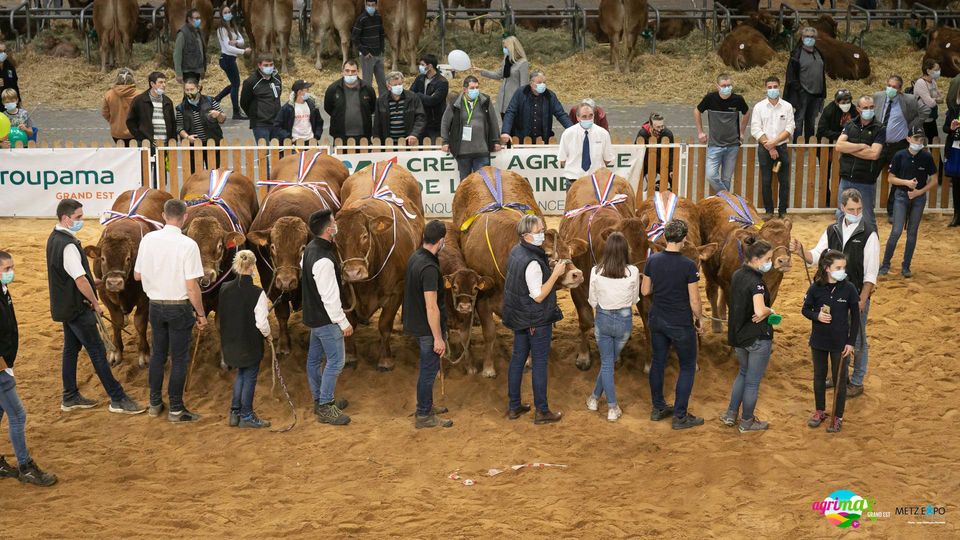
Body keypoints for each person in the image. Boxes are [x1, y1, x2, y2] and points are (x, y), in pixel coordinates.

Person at [45, 200, 145, 415]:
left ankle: (70, 396)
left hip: (64, 305)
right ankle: (118, 399)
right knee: (98, 352)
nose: (81, 221)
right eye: (78, 217)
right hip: (79, 307)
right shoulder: (69, 246)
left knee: (71, 350)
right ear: (66, 218)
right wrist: (95, 302)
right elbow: (80, 281)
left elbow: (70, 277)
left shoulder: (54, 239)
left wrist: (97, 282)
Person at [792, 188, 879, 398]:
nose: (856, 213)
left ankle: (857, 380)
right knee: (835, 335)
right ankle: (840, 376)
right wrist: (800, 251)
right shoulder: (832, 230)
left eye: (859, 209)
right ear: (842, 208)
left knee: (857, 338)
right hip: (831, 295)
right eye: (851, 209)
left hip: (856, 295)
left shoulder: (869, 234)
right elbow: (816, 256)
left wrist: (861, 299)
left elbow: (871, 274)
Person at [134, 199, 207, 423]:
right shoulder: (188, 245)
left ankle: (154, 403)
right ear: (185, 217)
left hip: (155, 305)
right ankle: (176, 408)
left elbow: (137, 275)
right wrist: (201, 314)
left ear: (163, 216)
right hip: (179, 307)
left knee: (158, 355)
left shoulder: (148, 240)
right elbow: (192, 286)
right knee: (179, 358)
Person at [0, 251, 57, 487]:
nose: (10, 273)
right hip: (0, 368)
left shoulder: (4, 292)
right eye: (6, 269)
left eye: (11, 267)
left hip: (5, 363)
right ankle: (25, 466)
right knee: (17, 414)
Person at [642, 220, 705, 430]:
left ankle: (658, 407)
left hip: (657, 318)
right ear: (684, 239)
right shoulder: (688, 265)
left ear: (666, 237)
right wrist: (699, 319)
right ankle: (680, 415)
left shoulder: (652, 261)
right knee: (687, 366)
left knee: (658, 361)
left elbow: (645, 291)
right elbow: (695, 301)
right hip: (680, 322)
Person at [501, 215, 564, 425]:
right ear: (527, 235)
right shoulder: (532, 262)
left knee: (517, 359)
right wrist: (555, 274)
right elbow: (538, 295)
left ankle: (514, 406)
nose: (542, 233)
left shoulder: (516, 251)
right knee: (539, 364)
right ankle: (542, 411)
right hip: (536, 320)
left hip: (519, 316)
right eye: (539, 231)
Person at [302, 210, 352, 426]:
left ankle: (319, 399)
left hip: (313, 316)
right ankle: (325, 405)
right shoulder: (324, 260)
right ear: (328, 229)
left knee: (313, 360)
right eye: (333, 222)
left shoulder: (309, 250)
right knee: (336, 362)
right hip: (327, 320)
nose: (336, 224)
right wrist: (343, 322)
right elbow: (329, 296)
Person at [801, 249, 860, 434]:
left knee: (839, 379)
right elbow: (805, 309)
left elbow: (856, 318)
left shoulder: (849, 289)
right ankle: (820, 411)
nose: (842, 271)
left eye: (843, 267)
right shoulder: (815, 288)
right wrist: (816, 315)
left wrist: (851, 343)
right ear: (827, 268)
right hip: (819, 341)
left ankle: (837, 416)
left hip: (840, 344)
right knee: (819, 377)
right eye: (838, 267)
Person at [402, 220, 453, 429]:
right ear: (441, 241)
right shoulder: (430, 268)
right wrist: (438, 338)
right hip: (427, 328)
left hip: (417, 323)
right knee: (428, 370)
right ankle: (424, 415)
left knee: (426, 369)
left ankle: (426, 405)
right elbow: (431, 307)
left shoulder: (415, 257)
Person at [721, 237, 775, 432]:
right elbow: (760, 311)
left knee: (742, 374)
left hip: (739, 336)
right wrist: (771, 311)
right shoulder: (757, 283)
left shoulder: (737, 274)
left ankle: (730, 414)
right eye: (767, 259)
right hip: (757, 339)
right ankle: (747, 421)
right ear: (755, 259)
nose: (770, 262)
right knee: (752, 382)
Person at [586, 232, 639, 423]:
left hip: (603, 319)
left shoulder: (595, 271)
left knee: (607, 363)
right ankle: (608, 405)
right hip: (624, 321)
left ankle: (597, 400)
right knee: (610, 362)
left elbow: (592, 300)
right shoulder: (633, 271)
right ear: (625, 250)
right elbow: (634, 299)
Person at [218, 251, 271, 429]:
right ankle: (246, 415)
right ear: (253, 267)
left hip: (230, 343)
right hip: (250, 344)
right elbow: (262, 323)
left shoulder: (224, 288)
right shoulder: (258, 293)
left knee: (241, 374)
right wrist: (268, 335)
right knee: (249, 377)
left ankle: (235, 412)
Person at [880, 127, 936, 278]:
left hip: (918, 198)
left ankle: (906, 266)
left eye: (921, 139)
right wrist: (906, 183)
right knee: (896, 231)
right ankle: (885, 264)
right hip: (901, 196)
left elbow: (934, 180)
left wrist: (919, 191)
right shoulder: (899, 156)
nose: (919, 142)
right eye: (916, 139)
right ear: (908, 139)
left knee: (912, 232)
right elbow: (890, 178)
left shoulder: (926, 157)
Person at [874, 75, 928, 220]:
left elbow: (924, 113)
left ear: (900, 89)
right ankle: (865, 208)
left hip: (898, 145)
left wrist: (910, 127)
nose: (890, 89)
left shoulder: (909, 100)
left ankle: (893, 213)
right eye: (889, 85)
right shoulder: (877, 96)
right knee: (870, 175)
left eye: (894, 87)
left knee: (898, 180)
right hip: (878, 144)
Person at [835, 95, 885, 231]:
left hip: (866, 182)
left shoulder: (880, 128)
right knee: (840, 214)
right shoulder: (850, 125)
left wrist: (849, 149)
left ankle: (872, 249)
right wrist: (862, 145)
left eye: (871, 107)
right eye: (865, 108)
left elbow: (874, 154)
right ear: (858, 109)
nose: (869, 110)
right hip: (846, 179)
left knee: (868, 218)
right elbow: (839, 146)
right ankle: (840, 247)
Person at [695, 73, 750, 193]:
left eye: (729, 85)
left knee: (726, 178)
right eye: (724, 85)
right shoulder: (710, 98)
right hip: (715, 145)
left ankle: (723, 206)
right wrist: (700, 132)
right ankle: (727, 198)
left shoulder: (738, 99)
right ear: (717, 86)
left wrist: (741, 132)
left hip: (732, 146)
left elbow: (746, 112)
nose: (727, 87)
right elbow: (697, 111)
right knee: (711, 175)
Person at [440, 76, 502, 180]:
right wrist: (445, 141)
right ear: (465, 89)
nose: (475, 90)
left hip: (482, 150)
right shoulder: (455, 103)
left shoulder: (485, 101)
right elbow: (445, 122)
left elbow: (493, 121)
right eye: (472, 88)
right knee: (465, 183)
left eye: (477, 87)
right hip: (463, 151)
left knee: (483, 182)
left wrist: (496, 140)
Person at [750, 76, 796, 218]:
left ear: (779, 87)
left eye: (775, 86)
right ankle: (769, 211)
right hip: (765, 149)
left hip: (781, 149)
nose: (772, 89)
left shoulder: (787, 106)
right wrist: (769, 147)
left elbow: (790, 128)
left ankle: (783, 212)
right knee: (766, 181)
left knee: (784, 181)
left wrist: (774, 143)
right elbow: (755, 129)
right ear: (765, 88)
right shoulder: (759, 107)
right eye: (769, 87)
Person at [500, 70, 573, 144]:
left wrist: (572, 129)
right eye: (539, 82)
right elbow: (510, 112)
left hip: (542, 139)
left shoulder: (550, 96)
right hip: (522, 139)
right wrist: (505, 131)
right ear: (531, 83)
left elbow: (560, 114)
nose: (542, 85)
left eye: (544, 82)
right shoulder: (520, 93)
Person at [815, 89, 858, 206]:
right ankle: (826, 200)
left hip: (846, 148)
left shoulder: (854, 111)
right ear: (836, 102)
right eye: (843, 102)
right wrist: (841, 135)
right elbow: (822, 130)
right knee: (826, 174)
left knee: (843, 174)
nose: (846, 104)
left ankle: (842, 199)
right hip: (827, 147)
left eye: (848, 101)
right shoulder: (829, 110)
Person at [557, 100, 614, 187]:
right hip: (573, 181)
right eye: (584, 116)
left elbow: (607, 159)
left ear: (594, 116)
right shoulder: (568, 134)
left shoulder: (603, 134)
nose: (588, 119)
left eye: (590, 116)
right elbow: (562, 160)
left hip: (597, 181)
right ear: (577, 117)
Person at [784, 26, 826, 143]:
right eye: (807, 36)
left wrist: (822, 93)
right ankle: (798, 144)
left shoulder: (819, 54)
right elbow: (791, 76)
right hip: (802, 93)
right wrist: (799, 89)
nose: (810, 39)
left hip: (816, 93)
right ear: (802, 38)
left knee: (811, 120)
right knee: (799, 119)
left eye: (812, 37)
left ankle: (809, 143)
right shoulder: (796, 54)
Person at [213, 3, 252, 119]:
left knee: (235, 84)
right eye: (225, 13)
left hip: (231, 59)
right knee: (236, 84)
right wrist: (243, 51)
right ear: (221, 15)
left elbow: (242, 41)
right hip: (226, 59)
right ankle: (236, 112)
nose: (228, 14)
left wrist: (235, 42)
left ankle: (216, 99)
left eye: (229, 12)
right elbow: (228, 48)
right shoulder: (221, 29)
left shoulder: (233, 27)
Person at [323, 60, 377, 141]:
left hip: (363, 136)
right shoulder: (333, 89)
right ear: (342, 72)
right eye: (347, 71)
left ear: (358, 72)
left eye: (353, 71)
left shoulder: (367, 89)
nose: (350, 74)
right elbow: (328, 108)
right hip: (340, 136)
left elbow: (372, 108)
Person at [479, 35, 529, 118]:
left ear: (512, 47)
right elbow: (499, 75)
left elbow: (524, 86)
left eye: (506, 47)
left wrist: (522, 104)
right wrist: (482, 71)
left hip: (514, 103)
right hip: (503, 102)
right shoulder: (506, 60)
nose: (504, 49)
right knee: (505, 128)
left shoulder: (523, 63)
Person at [373, 71, 426, 144]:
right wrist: (376, 140)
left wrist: (415, 134)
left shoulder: (413, 98)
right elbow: (377, 123)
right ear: (389, 87)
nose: (398, 86)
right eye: (395, 85)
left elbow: (420, 118)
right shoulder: (381, 101)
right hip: (388, 143)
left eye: (400, 84)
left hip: (409, 142)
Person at [240, 54, 282, 143]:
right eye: (266, 65)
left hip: (277, 122)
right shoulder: (251, 82)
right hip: (261, 124)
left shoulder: (277, 78)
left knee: (279, 152)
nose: (269, 67)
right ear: (259, 65)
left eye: (271, 64)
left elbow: (278, 96)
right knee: (264, 153)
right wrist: (255, 116)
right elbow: (244, 103)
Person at [126, 71, 177, 145]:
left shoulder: (168, 101)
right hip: (147, 144)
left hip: (165, 144)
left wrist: (173, 141)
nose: (164, 85)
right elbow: (131, 122)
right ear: (152, 84)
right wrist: (141, 138)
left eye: (164, 82)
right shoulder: (139, 100)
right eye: (160, 82)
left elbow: (173, 123)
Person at [351, 0, 387, 95]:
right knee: (367, 83)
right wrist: (364, 52)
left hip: (378, 54)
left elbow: (381, 34)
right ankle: (367, 103)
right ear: (365, 5)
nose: (370, 7)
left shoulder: (378, 17)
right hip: (367, 56)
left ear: (376, 5)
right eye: (368, 5)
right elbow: (354, 38)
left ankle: (383, 103)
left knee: (382, 81)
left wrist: (382, 49)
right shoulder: (361, 19)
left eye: (372, 5)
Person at [411, 53, 449, 141]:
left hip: (434, 121)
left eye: (422, 65)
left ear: (430, 66)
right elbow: (411, 94)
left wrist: (419, 95)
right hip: (420, 118)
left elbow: (433, 101)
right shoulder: (420, 78)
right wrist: (425, 97)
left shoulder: (442, 82)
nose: (420, 67)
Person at [176, 78, 226, 145]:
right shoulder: (181, 108)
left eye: (192, 89)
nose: (189, 92)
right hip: (194, 146)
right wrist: (187, 137)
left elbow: (222, 120)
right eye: (187, 90)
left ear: (198, 88)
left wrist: (218, 115)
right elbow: (179, 127)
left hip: (213, 143)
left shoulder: (210, 101)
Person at [636, 113, 677, 191]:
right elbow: (636, 152)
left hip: (662, 162)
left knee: (674, 178)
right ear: (650, 125)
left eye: (662, 126)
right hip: (645, 162)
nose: (660, 129)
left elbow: (672, 153)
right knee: (636, 180)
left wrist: (672, 169)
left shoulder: (667, 134)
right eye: (657, 127)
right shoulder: (642, 134)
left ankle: (668, 195)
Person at [101, 68, 137, 145]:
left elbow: (105, 113)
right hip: (135, 132)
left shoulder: (109, 94)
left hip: (117, 132)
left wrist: (113, 121)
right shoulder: (139, 95)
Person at [173, 8, 207, 84]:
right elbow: (177, 54)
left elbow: (201, 52)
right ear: (189, 19)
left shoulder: (198, 32)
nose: (199, 20)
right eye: (196, 18)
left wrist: (202, 69)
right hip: (187, 71)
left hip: (197, 70)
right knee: (190, 93)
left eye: (199, 18)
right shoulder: (182, 33)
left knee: (194, 93)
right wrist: (178, 73)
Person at [913, 58, 943, 142]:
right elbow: (931, 103)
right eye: (936, 70)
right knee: (923, 145)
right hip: (922, 121)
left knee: (935, 142)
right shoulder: (920, 83)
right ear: (928, 71)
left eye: (939, 69)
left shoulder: (933, 81)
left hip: (931, 118)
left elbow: (941, 99)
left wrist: (935, 99)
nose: (939, 71)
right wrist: (936, 99)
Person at [943, 90, 960, 227]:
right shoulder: (953, 110)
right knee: (956, 184)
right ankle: (957, 215)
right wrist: (951, 128)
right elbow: (944, 128)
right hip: (955, 150)